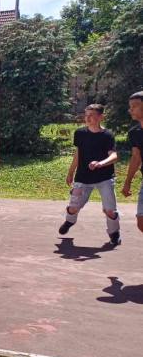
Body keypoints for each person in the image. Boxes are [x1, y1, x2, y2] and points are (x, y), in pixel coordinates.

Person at [59, 104, 120, 245]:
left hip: (105, 178)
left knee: (110, 211)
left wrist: (101, 163)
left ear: (101, 117)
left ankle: (114, 232)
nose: (88, 118)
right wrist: (71, 172)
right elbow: (78, 154)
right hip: (83, 178)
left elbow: (114, 156)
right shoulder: (80, 133)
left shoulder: (107, 135)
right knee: (73, 208)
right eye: (86, 115)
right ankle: (69, 221)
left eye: (92, 115)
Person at [121, 91, 143, 233]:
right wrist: (127, 182)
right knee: (141, 222)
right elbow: (136, 158)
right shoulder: (134, 132)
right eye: (130, 106)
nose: (131, 110)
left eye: (135, 106)